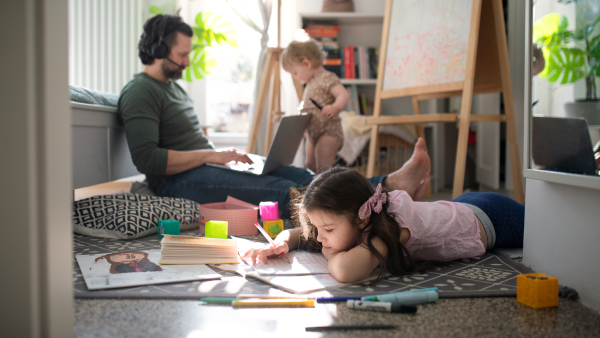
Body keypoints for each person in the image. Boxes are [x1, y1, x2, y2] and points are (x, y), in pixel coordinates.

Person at [118, 14, 430, 219]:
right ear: (159, 50)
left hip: (203, 165)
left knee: (308, 178)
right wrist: (210, 157)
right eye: (182, 54)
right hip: (176, 181)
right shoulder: (140, 91)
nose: (187, 62)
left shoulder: (174, 89)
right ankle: (386, 204)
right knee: (285, 193)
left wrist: (221, 157)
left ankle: (387, 183)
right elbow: (148, 161)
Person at [243, 167, 524, 284]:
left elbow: (343, 270)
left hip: (491, 218)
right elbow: (298, 234)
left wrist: (331, 253)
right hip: (459, 205)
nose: (319, 238)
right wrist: (280, 242)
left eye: (327, 230)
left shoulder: (391, 230)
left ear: (361, 218)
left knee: (558, 230)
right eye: (317, 229)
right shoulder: (351, 221)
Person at [281, 40, 350, 173]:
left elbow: (343, 95)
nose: (295, 77)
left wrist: (335, 107)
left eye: (295, 73)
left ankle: (325, 190)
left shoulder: (326, 77)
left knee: (323, 166)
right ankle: (319, 187)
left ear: (307, 63)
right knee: (310, 164)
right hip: (312, 134)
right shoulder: (310, 83)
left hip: (328, 131)